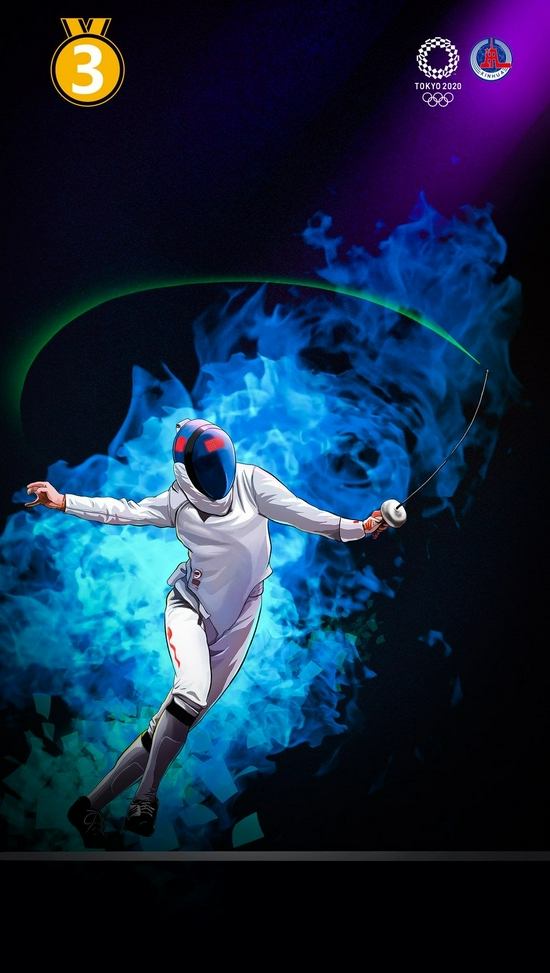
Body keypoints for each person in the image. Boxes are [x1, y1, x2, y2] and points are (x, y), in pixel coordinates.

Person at [25, 417, 388, 847]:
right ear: (186, 472)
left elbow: (304, 515)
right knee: (190, 695)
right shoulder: (176, 503)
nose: (219, 480)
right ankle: (145, 796)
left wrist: (360, 528)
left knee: (174, 722)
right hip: (190, 610)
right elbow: (122, 511)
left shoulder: (251, 483)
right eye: (207, 469)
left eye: (222, 465)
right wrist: (63, 501)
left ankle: (88, 806)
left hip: (241, 617)